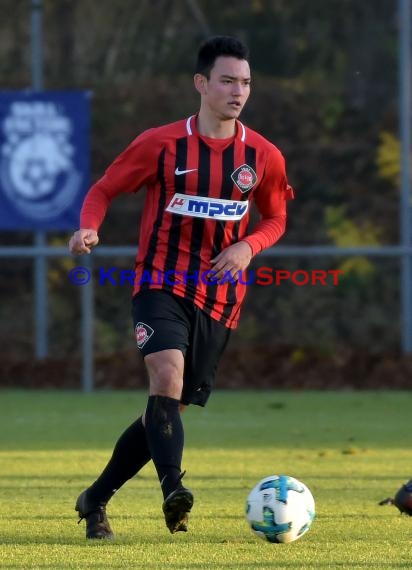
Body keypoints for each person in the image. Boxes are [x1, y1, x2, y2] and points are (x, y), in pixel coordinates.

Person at [68, 35, 294, 539]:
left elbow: (276, 218)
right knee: (165, 378)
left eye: (246, 82)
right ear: (201, 83)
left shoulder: (262, 155)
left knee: (165, 411)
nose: (239, 91)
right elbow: (104, 189)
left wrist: (248, 247)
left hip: (220, 298)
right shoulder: (162, 143)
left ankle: (95, 498)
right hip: (159, 282)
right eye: (228, 80)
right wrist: (89, 225)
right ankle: (174, 490)